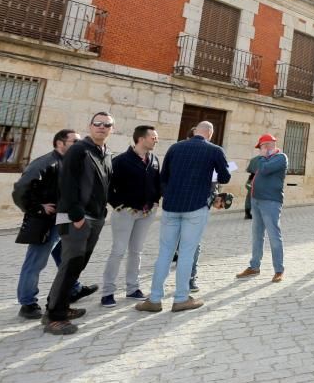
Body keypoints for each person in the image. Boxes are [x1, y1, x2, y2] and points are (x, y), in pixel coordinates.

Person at [136, 121, 231, 314]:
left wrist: (169, 195)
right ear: (210, 134)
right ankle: (181, 298)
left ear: (195, 131)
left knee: (165, 252)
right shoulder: (215, 150)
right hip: (196, 207)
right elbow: (225, 177)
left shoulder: (175, 147)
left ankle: (154, 299)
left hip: (171, 206)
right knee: (187, 252)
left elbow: (163, 177)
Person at [43, 113, 115, 335]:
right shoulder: (79, 150)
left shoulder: (105, 153)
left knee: (77, 266)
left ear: (112, 129)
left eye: (107, 125)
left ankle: (57, 306)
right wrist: (77, 216)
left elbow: (104, 186)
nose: (102, 127)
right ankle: (55, 317)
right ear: (90, 126)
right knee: (70, 265)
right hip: (76, 218)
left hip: (95, 218)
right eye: (98, 124)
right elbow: (67, 183)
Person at [13, 129, 85, 319]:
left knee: (65, 257)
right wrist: (37, 207)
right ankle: (27, 303)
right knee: (35, 262)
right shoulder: (46, 162)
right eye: (74, 142)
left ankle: (74, 288)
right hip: (45, 223)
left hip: (62, 221)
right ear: (60, 143)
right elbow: (20, 189)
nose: (78, 145)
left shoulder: (68, 163)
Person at [99, 125, 161, 307]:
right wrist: (118, 205)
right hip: (125, 213)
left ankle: (133, 288)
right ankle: (108, 292)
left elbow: (157, 183)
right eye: (153, 137)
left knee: (136, 251)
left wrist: (155, 202)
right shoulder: (120, 161)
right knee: (118, 251)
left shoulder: (154, 160)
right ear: (141, 139)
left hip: (147, 213)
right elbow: (107, 187)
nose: (156, 140)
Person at [236, 133, 288, 282]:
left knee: (274, 236)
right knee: (257, 234)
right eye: (260, 148)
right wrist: (262, 157)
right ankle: (254, 266)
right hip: (256, 200)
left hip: (271, 201)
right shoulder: (261, 159)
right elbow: (253, 170)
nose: (260, 150)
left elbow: (264, 170)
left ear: (269, 145)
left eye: (262, 146)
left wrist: (263, 156)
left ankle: (279, 270)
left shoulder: (280, 157)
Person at [244, 153, 261, 219]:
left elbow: (248, 170)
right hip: (258, 180)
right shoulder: (265, 159)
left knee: (249, 196)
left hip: (250, 180)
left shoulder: (253, 159)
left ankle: (247, 213)